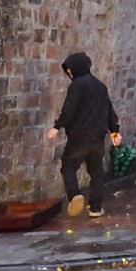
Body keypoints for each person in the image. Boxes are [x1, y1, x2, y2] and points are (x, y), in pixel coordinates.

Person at [43, 52, 122, 219]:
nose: (69, 73)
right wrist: (115, 131)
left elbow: (69, 109)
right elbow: (109, 111)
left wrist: (57, 127)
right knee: (96, 172)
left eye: (70, 70)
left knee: (68, 166)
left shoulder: (77, 85)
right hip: (98, 138)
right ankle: (96, 207)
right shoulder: (101, 86)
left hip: (79, 137)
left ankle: (74, 195)